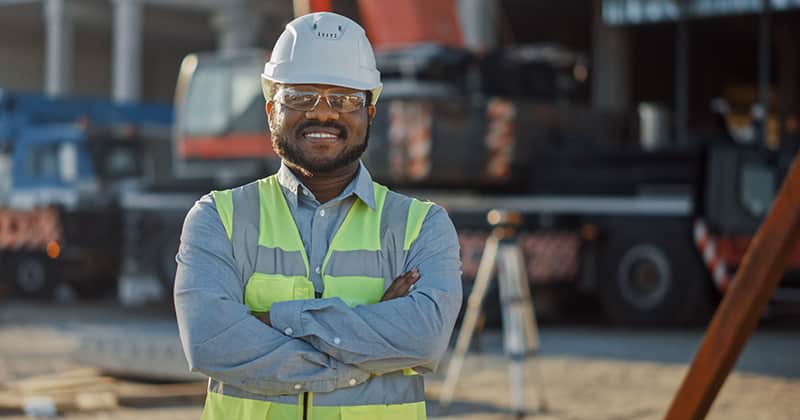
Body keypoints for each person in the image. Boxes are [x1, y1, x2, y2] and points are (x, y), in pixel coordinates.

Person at [174, 12, 463, 420]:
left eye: (344, 99)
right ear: (272, 108)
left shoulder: (422, 226)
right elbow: (211, 342)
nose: (323, 114)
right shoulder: (217, 218)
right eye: (301, 97)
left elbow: (424, 339)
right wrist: (361, 355)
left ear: (370, 113)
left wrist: (274, 319)